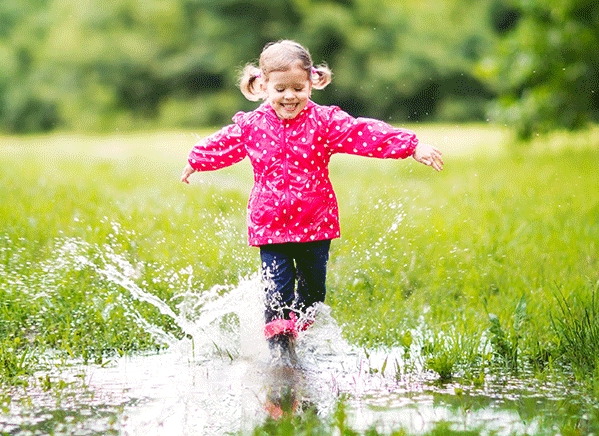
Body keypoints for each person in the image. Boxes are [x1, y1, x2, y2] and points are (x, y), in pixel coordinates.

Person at [181, 40, 443, 363]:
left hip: (316, 227)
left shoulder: (324, 122)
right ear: (263, 86)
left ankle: (301, 342)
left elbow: (364, 133)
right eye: (280, 89)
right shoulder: (253, 126)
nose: (289, 96)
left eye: (297, 88)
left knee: (312, 297)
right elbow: (223, 143)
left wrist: (411, 146)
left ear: (311, 84)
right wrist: (197, 159)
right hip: (271, 229)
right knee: (276, 294)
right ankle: (281, 357)